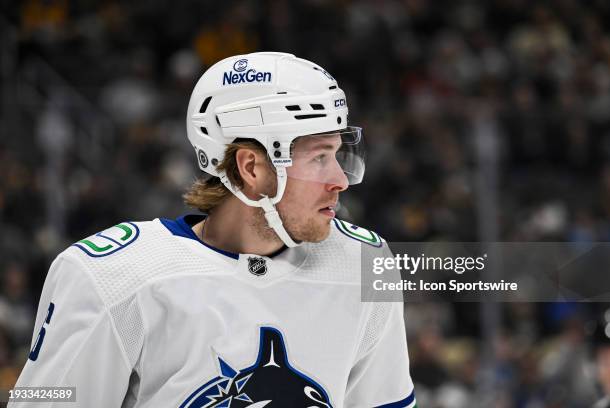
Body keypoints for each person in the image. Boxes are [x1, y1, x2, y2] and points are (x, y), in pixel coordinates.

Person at [10, 52, 416, 407]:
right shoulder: (110, 277)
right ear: (251, 168)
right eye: (318, 158)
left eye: (339, 153)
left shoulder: (363, 264)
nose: (340, 181)